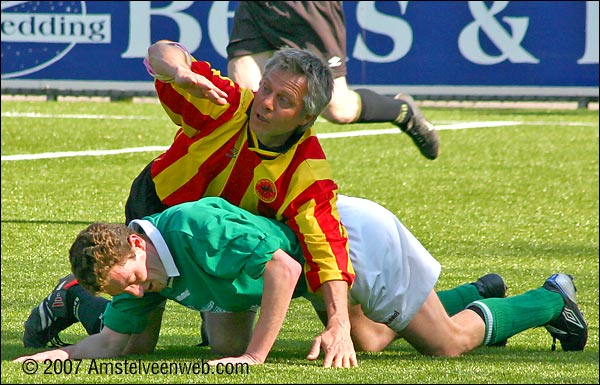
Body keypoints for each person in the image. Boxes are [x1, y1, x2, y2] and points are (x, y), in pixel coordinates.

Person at [15, 196, 587, 365]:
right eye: (123, 291)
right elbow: (118, 342)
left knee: (445, 344)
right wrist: (56, 357)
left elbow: (285, 269)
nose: (137, 292)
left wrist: (256, 358)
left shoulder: (194, 229)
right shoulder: (143, 270)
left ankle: (549, 299)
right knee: (370, 340)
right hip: (316, 276)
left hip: (348, 242)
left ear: (138, 244)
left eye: (133, 279)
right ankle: (474, 292)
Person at [227, 1, 440, 160]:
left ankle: (402, 111)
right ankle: (258, 188)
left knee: (340, 109)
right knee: (247, 97)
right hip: (255, 6)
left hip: (304, 7)